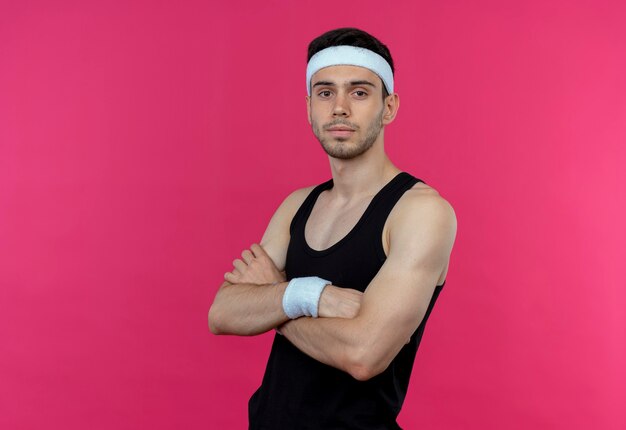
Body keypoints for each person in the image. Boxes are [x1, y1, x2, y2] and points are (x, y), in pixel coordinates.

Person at [208, 27, 457, 429]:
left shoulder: (420, 212)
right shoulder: (297, 205)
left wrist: (277, 298)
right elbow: (221, 312)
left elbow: (363, 355)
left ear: (388, 107)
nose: (339, 107)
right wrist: (312, 296)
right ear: (309, 107)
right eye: (325, 93)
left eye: (359, 92)